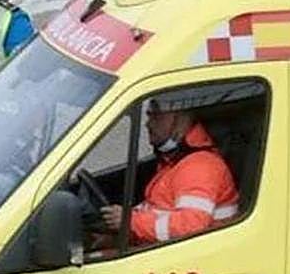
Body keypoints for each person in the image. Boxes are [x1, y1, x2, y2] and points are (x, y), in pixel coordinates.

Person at [100, 94, 239, 245]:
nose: (148, 124)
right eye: (149, 116)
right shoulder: (176, 161)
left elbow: (190, 226)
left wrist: (130, 221)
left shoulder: (200, 166)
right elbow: (156, 212)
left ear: (181, 120)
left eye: (156, 116)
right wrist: (117, 236)